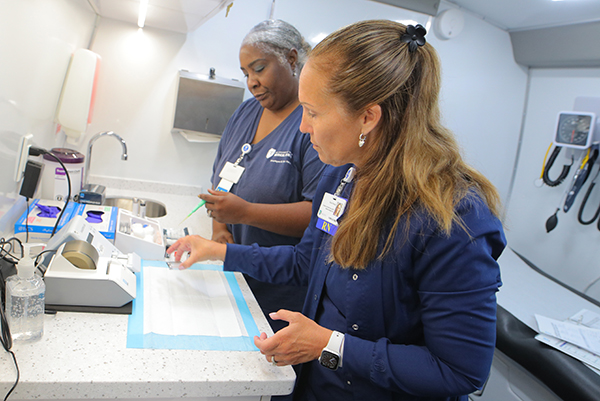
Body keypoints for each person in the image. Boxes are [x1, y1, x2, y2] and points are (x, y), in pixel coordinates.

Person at [170, 20, 506, 401]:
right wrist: (220, 251)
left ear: (368, 117)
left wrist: (329, 344)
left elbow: (460, 371)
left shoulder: (453, 220)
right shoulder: (343, 178)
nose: (302, 126)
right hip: (316, 386)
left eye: (312, 112)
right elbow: (305, 263)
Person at [199, 20, 326, 333]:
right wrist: (220, 228)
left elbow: (319, 215)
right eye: (246, 74)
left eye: (259, 68)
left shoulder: (311, 126)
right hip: (235, 274)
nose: (252, 82)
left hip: (280, 291)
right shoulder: (245, 113)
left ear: (291, 60)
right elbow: (220, 179)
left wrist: (245, 213)